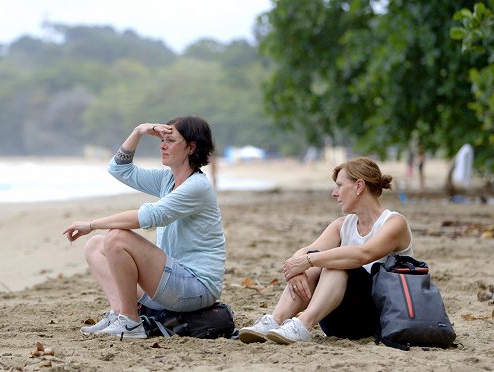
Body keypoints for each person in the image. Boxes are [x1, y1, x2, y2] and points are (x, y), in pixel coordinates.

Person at [63, 116, 226, 339]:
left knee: (117, 238)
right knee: (95, 246)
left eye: (170, 140)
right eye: (162, 139)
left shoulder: (197, 187)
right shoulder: (166, 180)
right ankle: (120, 313)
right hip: (170, 282)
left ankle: (130, 322)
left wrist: (91, 224)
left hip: (195, 288)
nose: (162, 145)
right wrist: (139, 131)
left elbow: (149, 216)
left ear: (191, 147)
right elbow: (119, 169)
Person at [238, 157, 413, 344]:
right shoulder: (341, 225)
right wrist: (298, 268)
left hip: (380, 319)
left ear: (359, 186)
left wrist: (309, 260)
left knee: (335, 263)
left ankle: (303, 324)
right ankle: (275, 320)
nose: (334, 193)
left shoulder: (394, 223)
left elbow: (364, 254)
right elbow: (304, 252)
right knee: (318, 262)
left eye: (339, 185)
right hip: (337, 321)